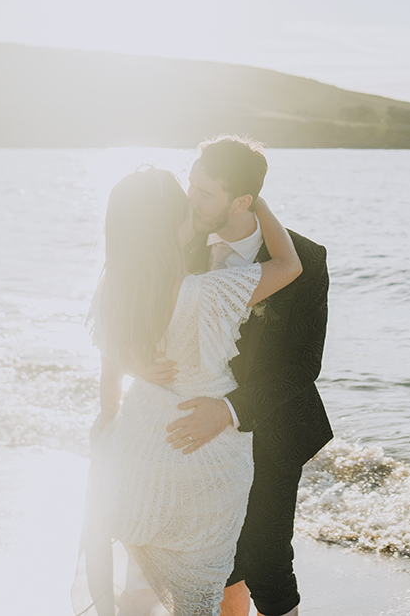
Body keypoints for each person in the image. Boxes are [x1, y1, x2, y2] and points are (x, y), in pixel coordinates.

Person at [73, 166, 302, 616]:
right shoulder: (205, 293)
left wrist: (110, 420)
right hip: (206, 457)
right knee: (197, 592)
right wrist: (257, 201)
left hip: (139, 447)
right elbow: (289, 265)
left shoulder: (113, 292)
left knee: (138, 584)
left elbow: (109, 381)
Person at [144, 136, 332, 616]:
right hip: (192, 430)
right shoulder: (176, 245)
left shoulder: (305, 260)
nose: (191, 199)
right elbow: (139, 321)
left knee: (267, 558)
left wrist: (228, 410)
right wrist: (140, 363)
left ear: (242, 201)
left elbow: (303, 365)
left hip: (268, 425)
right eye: (192, 185)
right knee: (215, 557)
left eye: (205, 193)